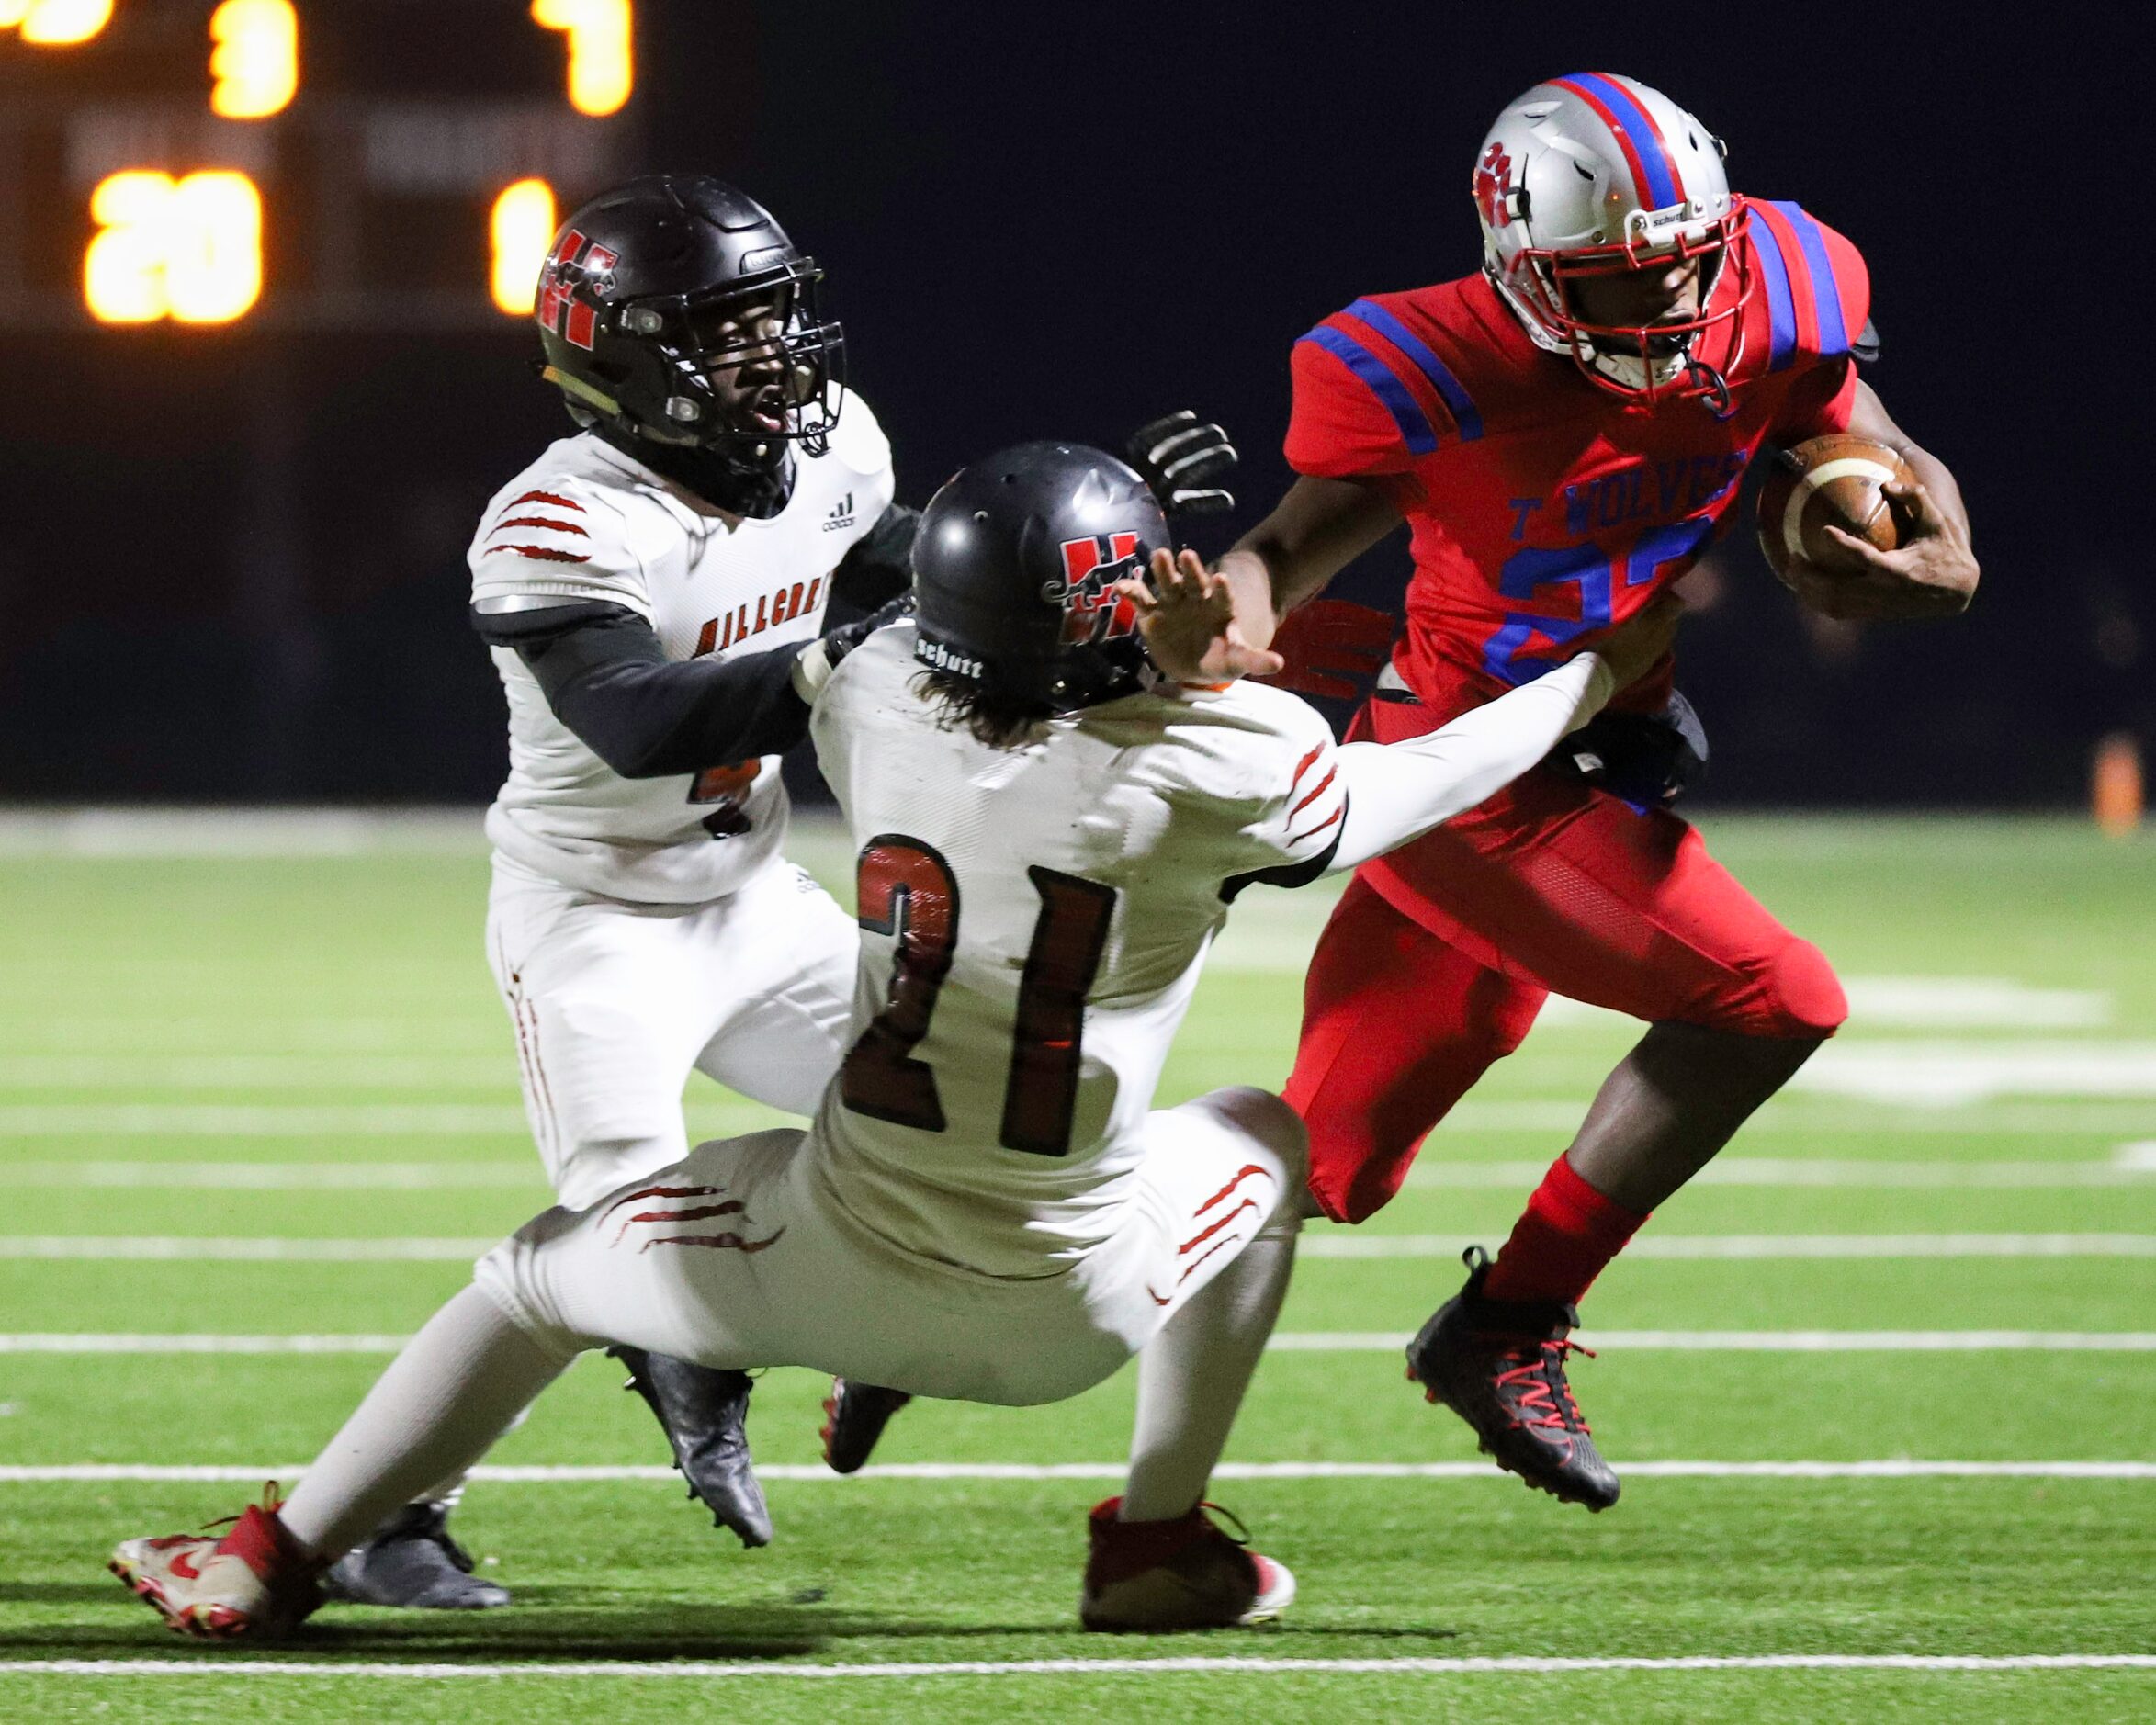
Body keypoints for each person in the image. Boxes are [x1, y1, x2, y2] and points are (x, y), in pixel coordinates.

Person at [107, 440, 1675, 1640]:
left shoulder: (870, 697)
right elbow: (1444, 769)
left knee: (536, 1272)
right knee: (1263, 1134)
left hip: (822, 1257)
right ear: (1107, 622)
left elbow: (918, 646)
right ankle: (1154, 1535)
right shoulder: (1231, 760)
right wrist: (1596, 668)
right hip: (1079, 1299)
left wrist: (1141, 655)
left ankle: (270, 1555)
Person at [1215, 73, 1981, 1509]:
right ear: (1520, 273)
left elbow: (1853, 425)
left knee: (1320, 1166)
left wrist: (1943, 545)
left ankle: (989, 1264)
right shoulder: (1432, 369)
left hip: (1592, 744)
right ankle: (1506, 1322)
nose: (1665, 314)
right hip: (1462, 775)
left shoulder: (1786, 284)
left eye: (1684, 269)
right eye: (1613, 287)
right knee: (1776, 998)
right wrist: (1233, 620)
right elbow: (1285, 545)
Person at [325, 174, 917, 1609]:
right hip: (596, 917)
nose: (775, 357)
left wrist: (1060, 567)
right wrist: (847, 661)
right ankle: (388, 1513)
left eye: (777, 317)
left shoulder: (833, 441)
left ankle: (873, 1333)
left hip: (753, 895)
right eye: (728, 332)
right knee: (621, 1233)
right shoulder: (559, 517)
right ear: (627, 357)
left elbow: (900, 572)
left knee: (939, 1091)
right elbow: (637, 718)